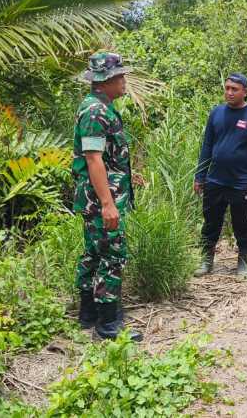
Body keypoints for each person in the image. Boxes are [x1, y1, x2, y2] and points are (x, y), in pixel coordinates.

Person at [72, 51, 142, 341]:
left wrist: (128, 175)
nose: (125, 81)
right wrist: (107, 204)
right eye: (120, 76)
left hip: (100, 196)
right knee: (113, 254)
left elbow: (106, 157)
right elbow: (93, 159)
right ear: (105, 81)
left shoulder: (101, 107)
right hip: (100, 200)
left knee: (95, 252)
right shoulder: (95, 111)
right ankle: (108, 323)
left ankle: (88, 313)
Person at [194, 73, 247, 278]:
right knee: (210, 222)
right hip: (215, 179)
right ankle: (206, 261)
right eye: (227, 88)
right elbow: (207, 146)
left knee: (242, 223)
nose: (229, 92)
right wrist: (200, 176)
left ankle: (243, 262)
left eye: (234, 89)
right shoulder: (216, 113)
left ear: (245, 91)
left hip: (241, 181)